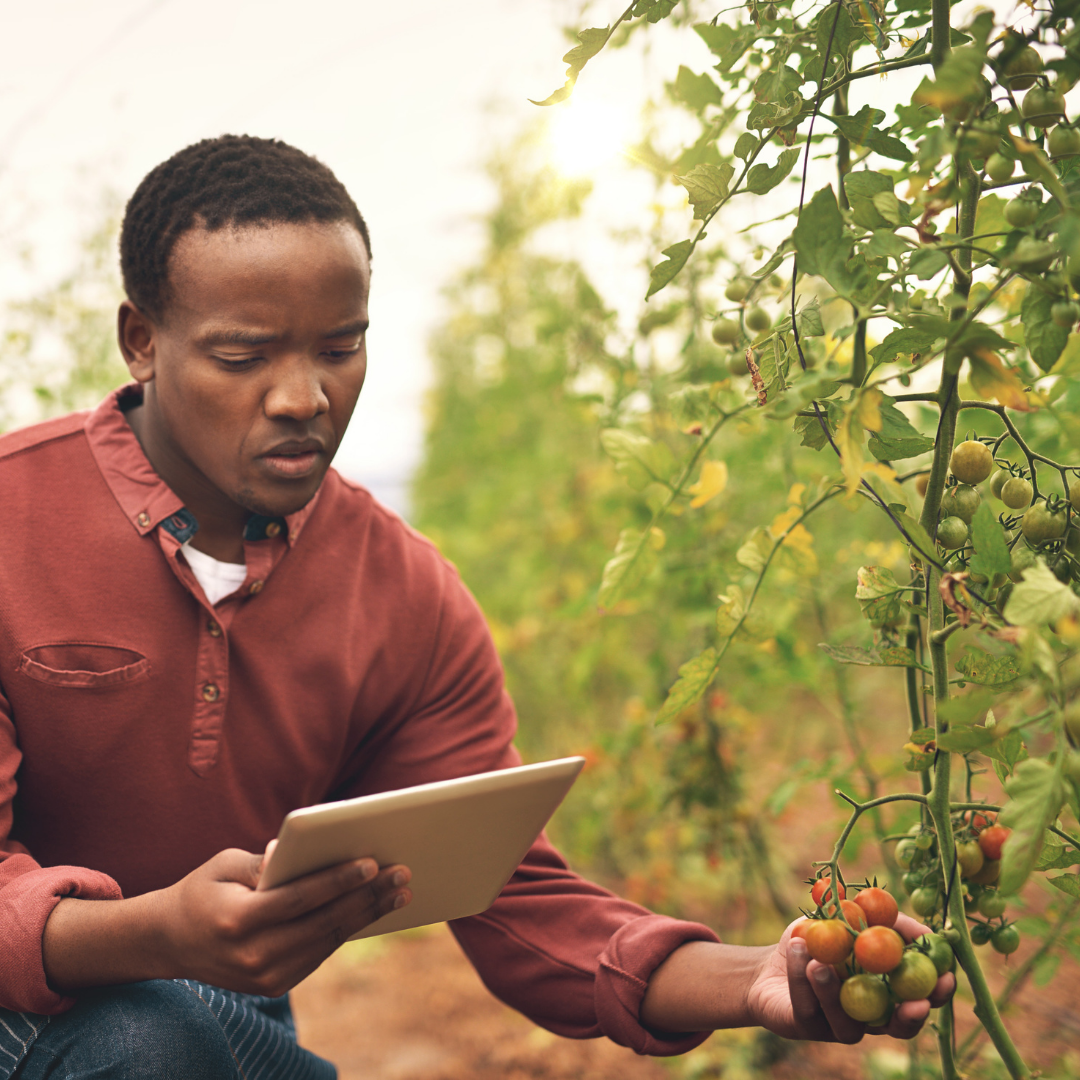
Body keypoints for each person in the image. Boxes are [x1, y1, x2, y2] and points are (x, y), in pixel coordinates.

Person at [0, 136, 954, 1078]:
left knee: (176, 1041)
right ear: (141, 343)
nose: (304, 396)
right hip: (42, 1016)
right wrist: (152, 934)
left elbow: (513, 897)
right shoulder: (13, 522)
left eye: (341, 348)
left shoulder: (399, 594)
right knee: (150, 1043)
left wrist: (754, 979)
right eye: (243, 356)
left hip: (214, 1026)